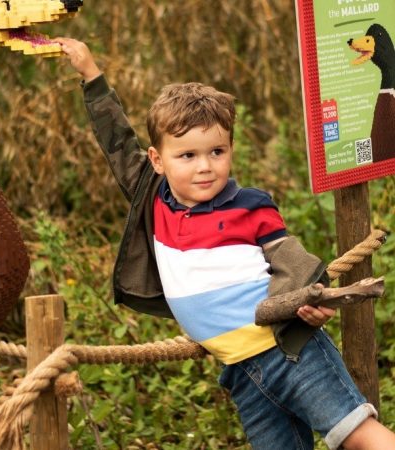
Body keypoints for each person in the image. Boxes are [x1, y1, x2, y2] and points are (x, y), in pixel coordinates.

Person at [53, 37, 395, 450]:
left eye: (217, 151)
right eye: (188, 156)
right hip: (241, 374)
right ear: (157, 161)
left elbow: (292, 261)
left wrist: (309, 303)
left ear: (231, 149)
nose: (205, 167)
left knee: (357, 436)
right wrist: (91, 75)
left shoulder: (248, 206)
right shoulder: (152, 200)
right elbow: (117, 143)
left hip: (291, 355)